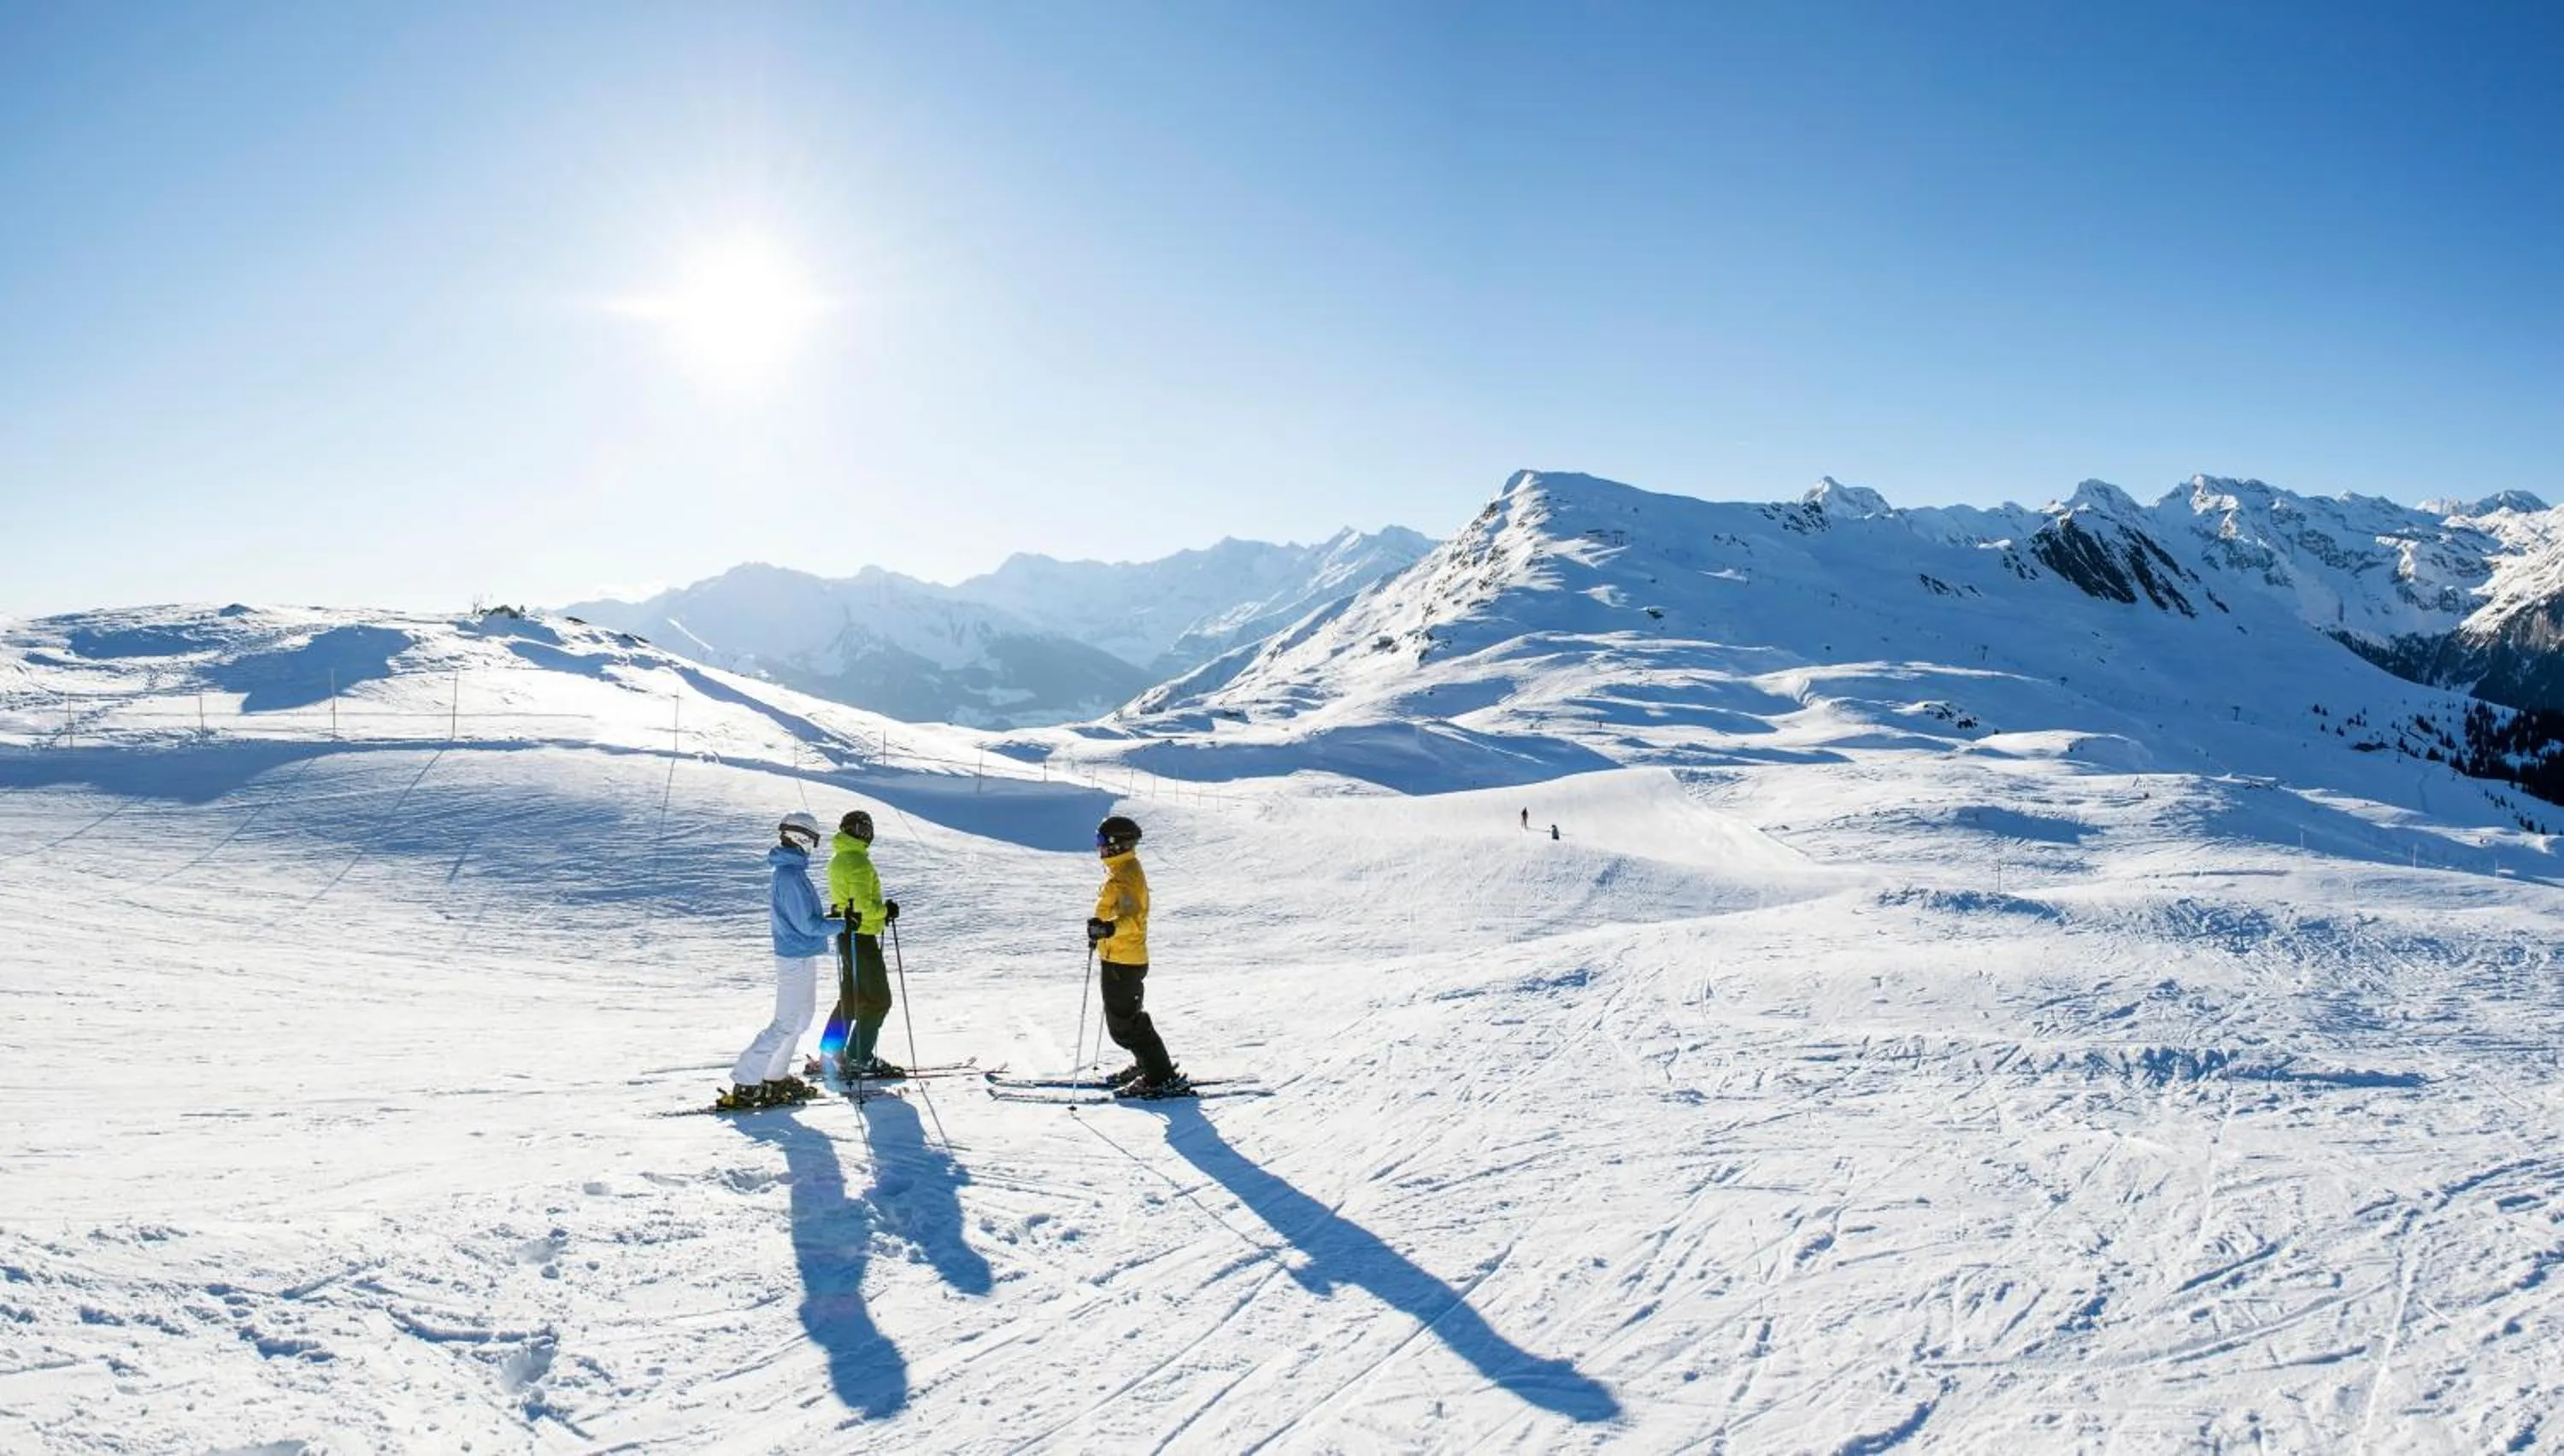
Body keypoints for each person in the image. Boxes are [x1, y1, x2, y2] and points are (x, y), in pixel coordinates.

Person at [716, 812, 843, 1111]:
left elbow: (808, 922)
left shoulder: (794, 873)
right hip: (793, 957)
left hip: (803, 954)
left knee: (801, 1019)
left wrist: (836, 919)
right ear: (803, 838)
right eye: (813, 840)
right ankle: (747, 1080)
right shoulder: (788, 876)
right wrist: (841, 924)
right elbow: (807, 925)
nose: (814, 846)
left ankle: (774, 1076)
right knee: (785, 1023)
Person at [1087, 814, 1187, 1097]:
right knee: (1124, 1020)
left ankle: (1161, 1076)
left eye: (1102, 842)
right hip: (1117, 955)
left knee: (1125, 1026)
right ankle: (1147, 1064)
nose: (1098, 848)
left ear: (1117, 845)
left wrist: (1107, 928)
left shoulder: (1127, 874)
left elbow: (1133, 919)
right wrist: (1100, 929)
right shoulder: (1120, 871)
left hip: (1125, 959)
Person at [821, 808, 903, 1079]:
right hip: (861, 936)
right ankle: (859, 1057)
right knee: (878, 1000)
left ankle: (830, 1052)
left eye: (866, 830)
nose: (864, 835)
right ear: (848, 830)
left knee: (852, 998)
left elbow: (849, 903)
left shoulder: (838, 858)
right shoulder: (857, 861)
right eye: (859, 829)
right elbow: (863, 907)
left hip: (847, 935)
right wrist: (885, 911)